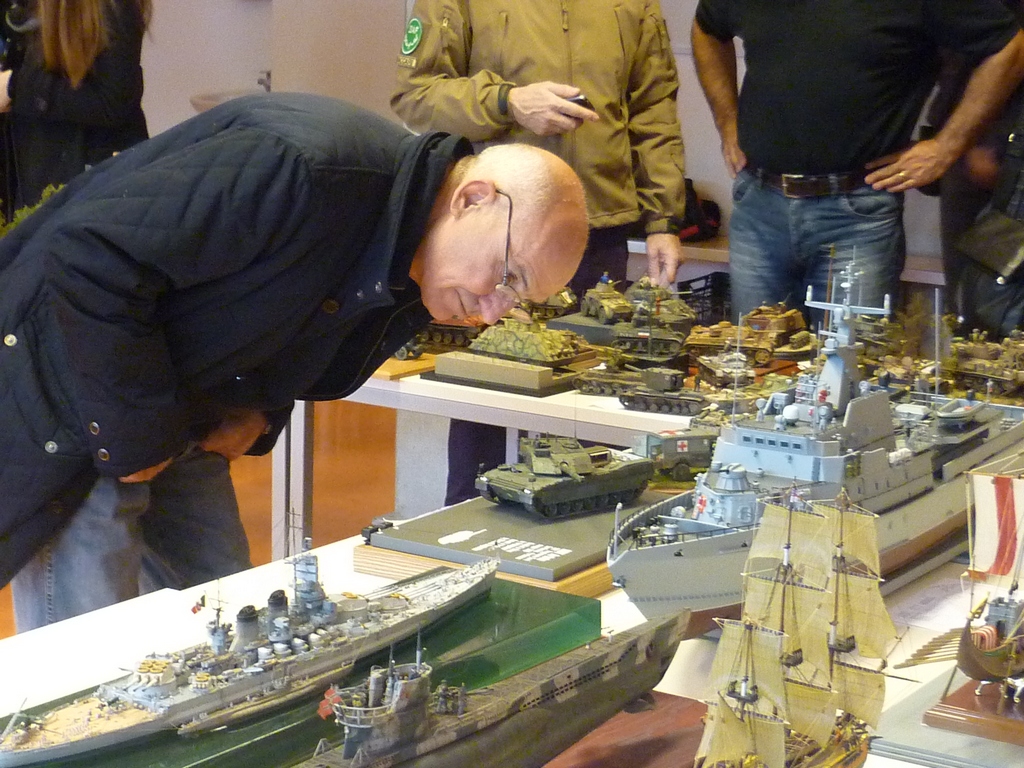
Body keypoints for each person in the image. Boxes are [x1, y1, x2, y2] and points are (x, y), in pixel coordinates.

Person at [0, 89, 589, 612]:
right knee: (84, 646)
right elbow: (90, 256)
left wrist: (257, 410)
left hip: (172, 400)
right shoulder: (305, 167)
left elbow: (290, 311)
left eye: (519, 298)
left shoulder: (412, 256)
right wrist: (138, 436)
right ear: (473, 198)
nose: (495, 311)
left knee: (221, 615)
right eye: (508, 276)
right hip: (71, 379)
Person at [0, 0, 249, 632]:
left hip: (89, 263)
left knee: (155, 575)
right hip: (40, 270)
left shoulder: (95, 13)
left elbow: (113, 96)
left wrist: (14, 90)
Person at [391, 0, 688, 504]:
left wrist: (664, 218)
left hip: (597, 237)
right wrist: (507, 102)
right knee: (488, 403)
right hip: (497, 243)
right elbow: (416, 95)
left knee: (593, 405)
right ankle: (469, 522)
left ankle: (588, 522)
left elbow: (653, 107)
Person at [691, 0, 1024, 321]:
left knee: (851, 359)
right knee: (753, 357)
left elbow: (1010, 48)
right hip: (758, 207)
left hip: (856, 217)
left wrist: (947, 147)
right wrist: (726, 121)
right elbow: (707, 28)